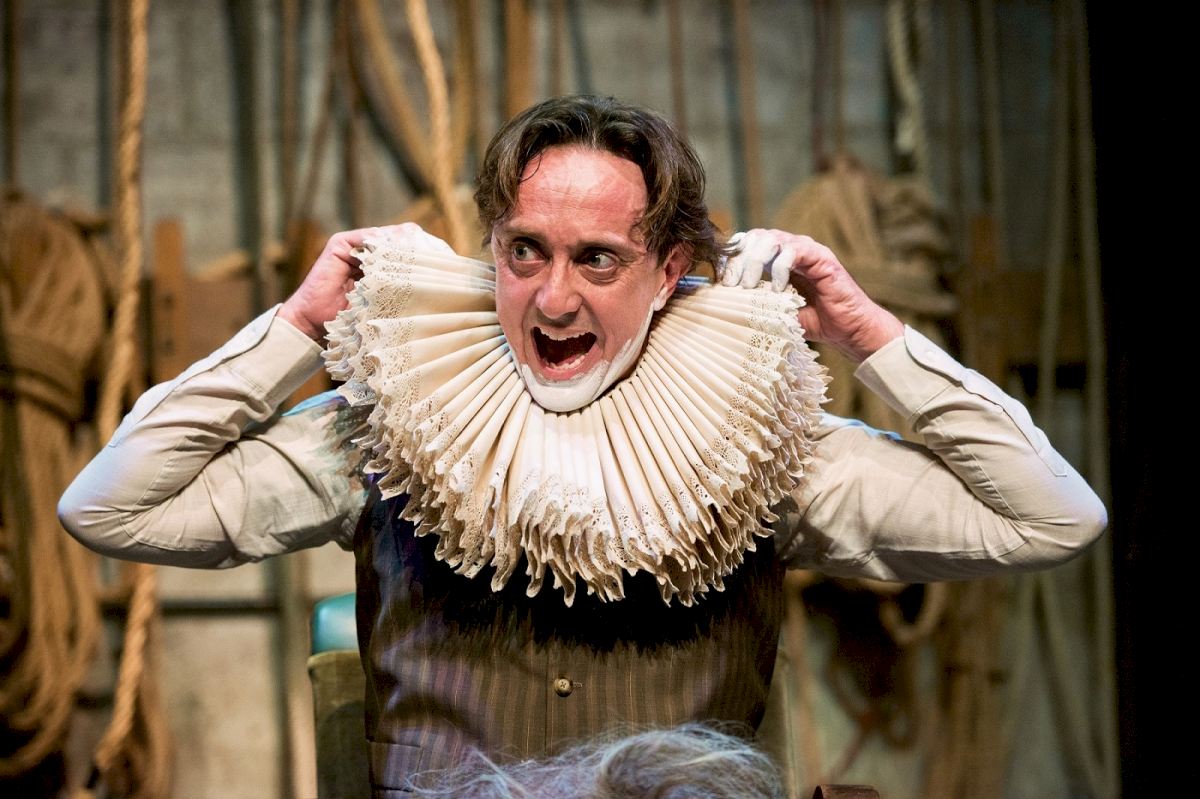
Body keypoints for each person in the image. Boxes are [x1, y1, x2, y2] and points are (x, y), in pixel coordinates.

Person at [59, 95, 1106, 795]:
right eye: (526, 251)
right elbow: (110, 504)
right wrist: (295, 325)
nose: (553, 299)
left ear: (670, 269)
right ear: (493, 245)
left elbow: (1051, 517)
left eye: (598, 259)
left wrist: (868, 331)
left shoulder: (750, 443)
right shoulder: (398, 422)